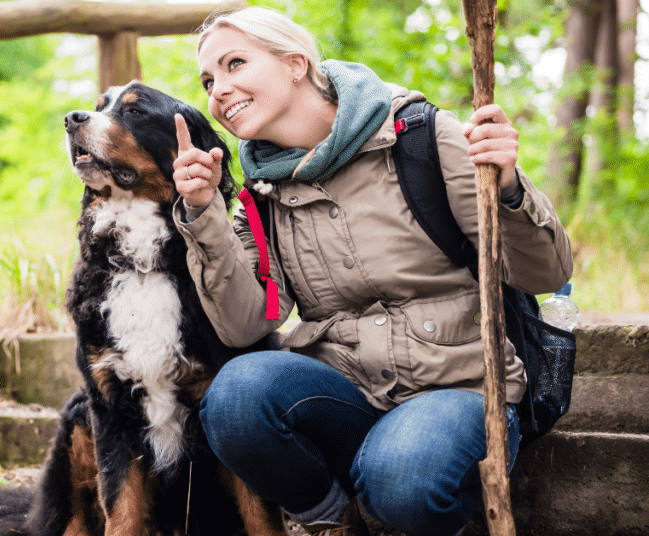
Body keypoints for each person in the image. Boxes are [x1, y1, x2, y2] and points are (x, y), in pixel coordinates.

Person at [170, 6, 573, 536]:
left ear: (296, 64)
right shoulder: (260, 195)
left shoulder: (424, 139)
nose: (218, 89)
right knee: (236, 395)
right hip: (342, 394)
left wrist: (510, 188)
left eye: (234, 64)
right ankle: (328, 518)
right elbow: (247, 325)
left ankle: (402, 501)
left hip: (457, 389)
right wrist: (206, 215)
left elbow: (547, 272)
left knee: (402, 478)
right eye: (208, 79)